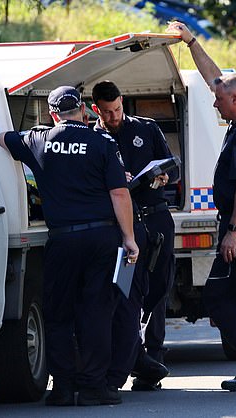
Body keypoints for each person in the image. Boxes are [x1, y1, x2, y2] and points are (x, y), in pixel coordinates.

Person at [0, 86, 138, 406]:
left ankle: (62, 388)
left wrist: (36, 134)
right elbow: (119, 194)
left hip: (62, 239)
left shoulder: (38, 139)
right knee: (97, 313)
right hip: (101, 238)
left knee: (58, 315)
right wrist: (129, 238)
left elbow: (2, 138)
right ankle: (93, 388)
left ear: (52, 114)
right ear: (85, 110)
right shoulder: (103, 142)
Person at [167, 22, 236, 392]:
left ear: (235, 99)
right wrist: (191, 41)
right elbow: (215, 78)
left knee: (227, 293)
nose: (214, 102)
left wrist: (234, 231)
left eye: (219, 100)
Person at [92, 81, 178, 391]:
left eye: (117, 110)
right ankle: (140, 362)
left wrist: (163, 176)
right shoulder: (94, 137)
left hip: (154, 218)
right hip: (121, 227)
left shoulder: (146, 128)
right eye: (107, 112)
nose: (114, 116)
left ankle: (150, 355)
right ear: (96, 110)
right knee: (129, 294)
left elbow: (172, 167)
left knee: (159, 288)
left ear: (123, 102)